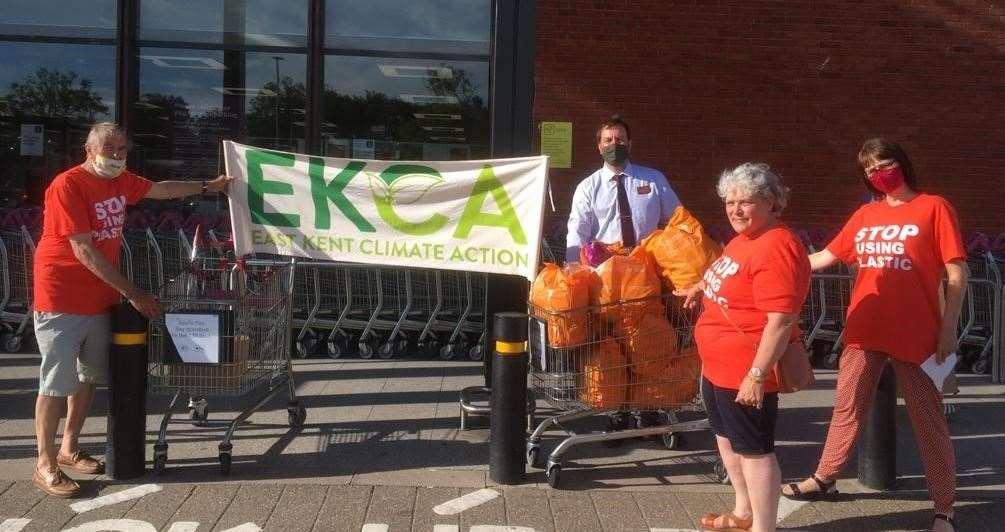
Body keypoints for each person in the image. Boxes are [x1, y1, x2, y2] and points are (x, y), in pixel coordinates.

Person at [32, 122, 232, 498]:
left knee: (88, 376)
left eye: (123, 149)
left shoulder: (120, 182)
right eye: (111, 148)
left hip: (100, 298)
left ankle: (69, 447)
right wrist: (134, 293)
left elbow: (162, 189)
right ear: (89, 150)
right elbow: (83, 249)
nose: (118, 155)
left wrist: (209, 186)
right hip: (61, 296)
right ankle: (45, 463)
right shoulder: (68, 185)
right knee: (57, 382)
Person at [781, 138, 966, 532]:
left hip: (917, 336)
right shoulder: (865, 216)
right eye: (868, 169)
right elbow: (825, 257)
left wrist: (948, 329)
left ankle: (944, 508)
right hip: (864, 330)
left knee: (927, 420)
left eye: (883, 164)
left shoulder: (934, 207)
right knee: (847, 408)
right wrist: (776, 263)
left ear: (901, 162)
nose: (877, 173)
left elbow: (957, 274)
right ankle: (825, 477)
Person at [676, 163, 810, 532]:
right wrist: (701, 286)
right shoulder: (743, 239)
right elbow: (729, 272)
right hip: (718, 366)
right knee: (727, 440)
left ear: (770, 202)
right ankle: (743, 512)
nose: (736, 209)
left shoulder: (777, 246)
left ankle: (763, 527)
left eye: (746, 202)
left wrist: (756, 375)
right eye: (730, 201)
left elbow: (780, 321)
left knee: (754, 450)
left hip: (746, 370)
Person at [565, 115, 681, 263]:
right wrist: (573, 268)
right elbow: (578, 232)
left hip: (647, 268)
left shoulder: (654, 180)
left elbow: (677, 220)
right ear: (599, 147)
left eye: (620, 140)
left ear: (629, 145)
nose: (614, 144)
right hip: (604, 270)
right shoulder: (587, 188)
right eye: (608, 140)